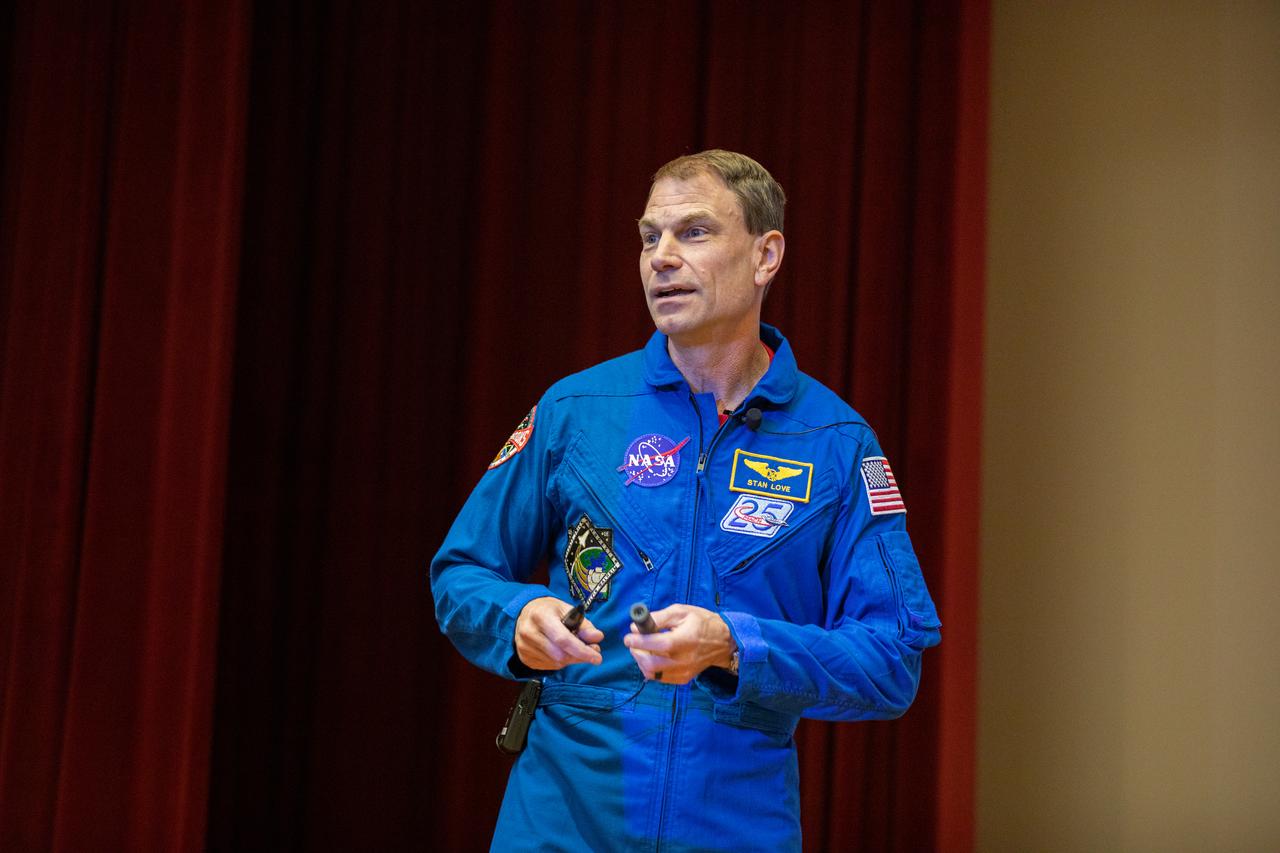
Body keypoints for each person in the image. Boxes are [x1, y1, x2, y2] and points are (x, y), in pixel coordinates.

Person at [430, 149, 941, 851]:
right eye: (649, 237)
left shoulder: (836, 442)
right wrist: (516, 617)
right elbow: (460, 574)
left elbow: (891, 662)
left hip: (734, 824)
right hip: (562, 820)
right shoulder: (576, 410)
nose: (661, 258)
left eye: (694, 232)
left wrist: (735, 646)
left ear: (766, 256)